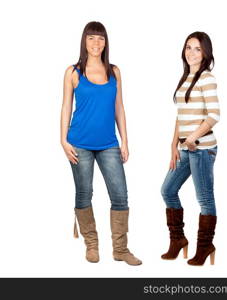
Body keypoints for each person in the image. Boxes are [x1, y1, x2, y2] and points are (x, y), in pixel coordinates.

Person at [60, 21, 142, 266]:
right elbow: (66, 106)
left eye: (101, 38)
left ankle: (120, 249)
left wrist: (125, 141)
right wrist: (62, 140)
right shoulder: (73, 71)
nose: (96, 43)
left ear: (106, 42)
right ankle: (92, 245)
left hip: (108, 143)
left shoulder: (114, 71)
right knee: (84, 193)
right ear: (84, 41)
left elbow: (119, 107)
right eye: (91, 38)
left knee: (120, 195)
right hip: (79, 143)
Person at [160, 32, 220, 266]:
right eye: (188, 47)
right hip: (186, 148)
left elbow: (214, 115)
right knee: (167, 190)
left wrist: (193, 138)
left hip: (203, 149)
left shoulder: (207, 78)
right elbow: (180, 116)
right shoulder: (185, 78)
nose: (191, 52)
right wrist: (173, 144)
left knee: (204, 199)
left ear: (205, 53)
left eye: (197, 48)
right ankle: (178, 240)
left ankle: (205, 246)